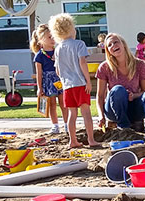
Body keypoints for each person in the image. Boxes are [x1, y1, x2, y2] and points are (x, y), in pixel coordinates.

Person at [48, 13, 101, 149]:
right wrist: (88, 81)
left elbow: (58, 70)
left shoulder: (58, 48)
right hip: (80, 83)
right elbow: (82, 62)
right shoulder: (79, 44)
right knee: (86, 113)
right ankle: (91, 140)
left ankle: (73, 140)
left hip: (67, 86)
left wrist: (64, 80)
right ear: (71, 28)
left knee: (72, 114)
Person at [95, 33, 145, 141]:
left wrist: (134, 95)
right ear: (108, 51)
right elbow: (100, 96)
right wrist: (100, 116)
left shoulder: (140, 65)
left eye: (116, 42)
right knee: (118, 90)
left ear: (123, 44)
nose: (113, 45)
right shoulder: (104, 67)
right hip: (114, 108)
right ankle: (124, 127)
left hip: (134, 108)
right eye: (110, 45)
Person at [30, 23, 68, 134]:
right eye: (49, 37)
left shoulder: (58, 51)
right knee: (52, 104)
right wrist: (39, 88)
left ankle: (67, 124)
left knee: (63, 103)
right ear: (41, 39)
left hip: (59, 79)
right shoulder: (39, 55)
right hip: (48, 81)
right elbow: (39, 73)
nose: (52, 39)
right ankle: (55, 125)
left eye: (53, 36)